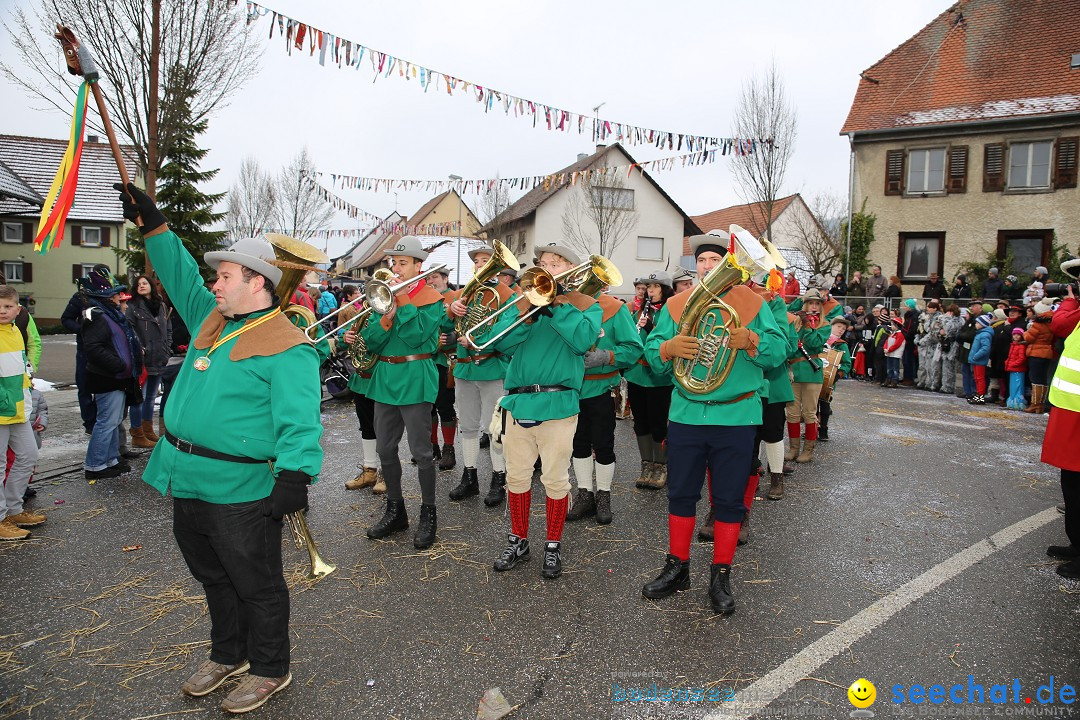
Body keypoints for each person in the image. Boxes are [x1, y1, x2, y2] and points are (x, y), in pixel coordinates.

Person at [114, 183, 322, 714]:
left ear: (257, 282)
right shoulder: (212, 319)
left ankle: (271, 667)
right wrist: (154, 225)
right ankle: (229, 654)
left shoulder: (288, 345)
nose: (214, 284)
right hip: (187, 477)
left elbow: (301, 422)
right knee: (212, 574)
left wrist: (295, 478)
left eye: (225, 276)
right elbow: (181, 272)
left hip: (240, 486)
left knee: (257, 582)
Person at [640, 232, 784, 616]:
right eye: (701, 260)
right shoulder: (676, 304)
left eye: (713, 261)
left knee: (729, 500)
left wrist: (752, 340)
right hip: (686, 413)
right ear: (696, 265)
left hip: (736, 416)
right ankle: (678, 567)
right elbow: (652, 354)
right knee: (681, 494)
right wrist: (667, 348)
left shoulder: (753, 303)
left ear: (726, 265)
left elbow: (778, 351)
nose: (706, 266)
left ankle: (721, 573)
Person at [486, 242, 602, 580]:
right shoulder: (521, 302)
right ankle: (519, 540)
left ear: (569, 269)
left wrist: (556, 306)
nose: (546, 267)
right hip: (518, 402)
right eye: (543, 262)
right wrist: (526, 314)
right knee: (517, 476)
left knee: (554, 478)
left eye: (554, 263)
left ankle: (553, 544)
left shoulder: (585, 305)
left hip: (558, 402)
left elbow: (582, 341)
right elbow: (497, 342)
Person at [351, 236, 445, 550]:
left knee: (421, 452)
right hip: (385, 379)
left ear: (419, 265)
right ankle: (395, 510)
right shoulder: (385, 296)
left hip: (415, 376)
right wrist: (386, 319)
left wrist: (402, 300)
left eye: (403, 263)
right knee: (386, 450)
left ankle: (428, 514)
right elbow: (372, 340)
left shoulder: (431, 298)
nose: (396, 268)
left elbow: (419, 335)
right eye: (395, 262)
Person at [565, 274, 642, 525]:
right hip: (570, 388)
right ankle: (585, 493)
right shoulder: (564, 305)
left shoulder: (615, 308)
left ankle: (604, 495)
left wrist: (607, 356)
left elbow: (633, 348)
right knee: (578, 444)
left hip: (601, 388)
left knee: (603, 444)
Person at [445, 245, 515, 506]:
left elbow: (506, 330)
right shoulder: (463, 293)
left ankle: (499, 478)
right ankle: (470, 476)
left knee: (494, 427)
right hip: (464, 367)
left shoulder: (507, 295)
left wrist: (476, 340)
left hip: (491, 367)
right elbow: (443, 328)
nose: (481, 265)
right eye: (478, 261)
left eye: (487, 261)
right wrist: (452, 311)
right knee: (469, 425)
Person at [77, 267, 141, 480]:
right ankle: (95, 464)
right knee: (106, 421)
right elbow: (94, 348)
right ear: (105, 296)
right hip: (109, 378)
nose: (118, 297)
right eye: (114, 294)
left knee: (113, 421)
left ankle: (111, 459)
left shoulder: (108, 315)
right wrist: (119, 365)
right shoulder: (98, 316)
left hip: (117, 377)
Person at [1041, 271, 1080, 579]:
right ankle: (1076, 543)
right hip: (1071, 410)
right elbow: (1062, 327)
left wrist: (1069, 300)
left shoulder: (1073, 307)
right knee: (1071, 482)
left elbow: (1057, 323)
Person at [0, 285, 43, 541]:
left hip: (17, 407)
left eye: (7, 307)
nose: (2, 311)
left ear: (18, 310)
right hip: (1, 409)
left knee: (28, 455)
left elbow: (22, 365)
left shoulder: (16, 331)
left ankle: (14, 509)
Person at [624, 271, 674, 490]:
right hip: (638, 374)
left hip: (659, 377)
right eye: (648, 287)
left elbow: (669, 341)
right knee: (640, 421)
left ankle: (660, 465)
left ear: (664, 289)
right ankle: (646, 464)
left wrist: (650, 328)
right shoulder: (639, 311)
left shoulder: (671, 311)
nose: (650, 291)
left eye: (655, 287)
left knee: (658, 422)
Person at [339, 285, 384, 494]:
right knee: (366, 427)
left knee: (384, 429)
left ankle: (386, 473)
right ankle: (369, 470)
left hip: (380, 378)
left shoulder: (387, 313)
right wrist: (346, 338)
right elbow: (350, 338)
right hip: (361, 378)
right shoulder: (363, 313)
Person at [126, 275, 170, 449]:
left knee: (152, 397)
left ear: (152, 285)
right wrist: (139, 346)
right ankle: (137, 433)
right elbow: (128, 328)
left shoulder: (161, 306)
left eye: (144, 283)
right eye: (138, 284)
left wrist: (168, 347)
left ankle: (148, 430)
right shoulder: (133, 307)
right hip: (143, 359)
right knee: (140, 397)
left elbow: (168, 329)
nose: (141, 286)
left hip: (160, 357)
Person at [785, 289, 829, 463]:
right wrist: (800, 315)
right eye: (811, 303)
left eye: (817, 304)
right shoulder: (795, 323)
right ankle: (793, 449)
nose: (814, 306)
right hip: (794, 372)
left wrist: (809, 325)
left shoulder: (824, 325)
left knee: (809, 413)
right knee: (792, 413)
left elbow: (815, 343)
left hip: (812, 373)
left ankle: (808, 451)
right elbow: (787, 309)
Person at [427, 267, 458, 471]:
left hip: (445, 360)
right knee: (427, 406)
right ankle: (432, 446)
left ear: (445, 279)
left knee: (444, 406)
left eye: (435, 277)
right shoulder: (425, 298)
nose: (431, 281)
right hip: (427, 360)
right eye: (428, 277)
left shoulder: (455, 296)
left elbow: (466, 323)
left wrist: (454, 336)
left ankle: (449, 449)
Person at [817, 316, 853, 441]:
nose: (841, 330)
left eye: (843, 329)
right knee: (812, 406)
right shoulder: (820, 339)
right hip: (816, 377)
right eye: (838, 327)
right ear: (831, 326)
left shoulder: (842, 345)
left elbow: (847, 363)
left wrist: (838, 375)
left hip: (830, 380)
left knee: (825, 405)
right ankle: (812, 429)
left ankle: (823, 430)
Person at [1024, 297, 1058, 414]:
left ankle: (1035, 404)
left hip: (1036, 352)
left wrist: (1025, 332)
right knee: (1043, 379)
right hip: (1047, 352)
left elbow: (1029, 338)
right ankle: (1041, 404)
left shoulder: (1037, 324)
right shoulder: (1051, 322)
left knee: (1035, 379)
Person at [967, 313, 995, 404]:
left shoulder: (985, 335)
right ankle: (978, 395)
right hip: (976, 360)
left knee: (980, 379)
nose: (976, 324)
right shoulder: (980, 334)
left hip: (979, 360)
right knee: (977, 378)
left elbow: (985, 348)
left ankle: (980, 396)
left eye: (977, 323)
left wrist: (976, 356)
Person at [915, 301, 941, 390]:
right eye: (927, 307)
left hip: (932, 344)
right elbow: (920, 330)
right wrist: (918, 339)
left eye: (930, 307)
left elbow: (932, 333)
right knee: (922, 365)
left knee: (932, 366)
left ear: (935, 308)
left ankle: (932, 383)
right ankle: (922, 381)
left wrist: (923, 340)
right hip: (923, 344)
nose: (928, 309)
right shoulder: (926, 317)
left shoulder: (938, 318)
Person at [1005, 328, 1029, 410]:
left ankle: (1017, 402)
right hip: (1013, 368)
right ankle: (1013, 400)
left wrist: (1012, 364)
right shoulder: (1013, 345)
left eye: (1018, 335)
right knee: (1013, 386)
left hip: (1018, 369)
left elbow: (1021, 358)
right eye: (1014, 334)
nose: (1015, 336)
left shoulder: (1021, 346)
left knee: (1017, 386)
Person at [883, 313, 906, 388]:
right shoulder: (892, 334)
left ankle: (894, 380)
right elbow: (887, 342)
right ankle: (888, 378)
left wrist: (889, 350)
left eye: (893, 325)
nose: (891, 326)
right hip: (889, 353)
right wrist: (885, 348)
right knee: (889, 367)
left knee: (895, 368)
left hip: (895, 354)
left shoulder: (900, 335)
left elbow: (897, 344)